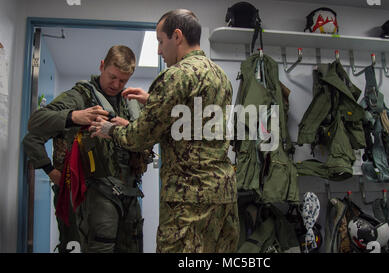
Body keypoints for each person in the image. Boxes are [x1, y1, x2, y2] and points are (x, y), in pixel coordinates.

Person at [91, 9, 239, 253]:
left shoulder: (175, 75)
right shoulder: (219, 75)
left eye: (160, 41)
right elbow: (195, 120)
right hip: (223, 193)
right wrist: (153, 101)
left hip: (189, 199)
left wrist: (110, 129)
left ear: (177, 36)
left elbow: (138, 138)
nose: (159, 50)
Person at [23, 45, 152, 253]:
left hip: (129, 197)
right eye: (112, 77)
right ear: (102, 66)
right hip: (90, 197)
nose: (116, 84)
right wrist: (73, 116)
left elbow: (151, 137)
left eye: (123, 80)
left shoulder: (131, 103)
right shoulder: (80, 96)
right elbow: (35, 124)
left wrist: (130, 127)